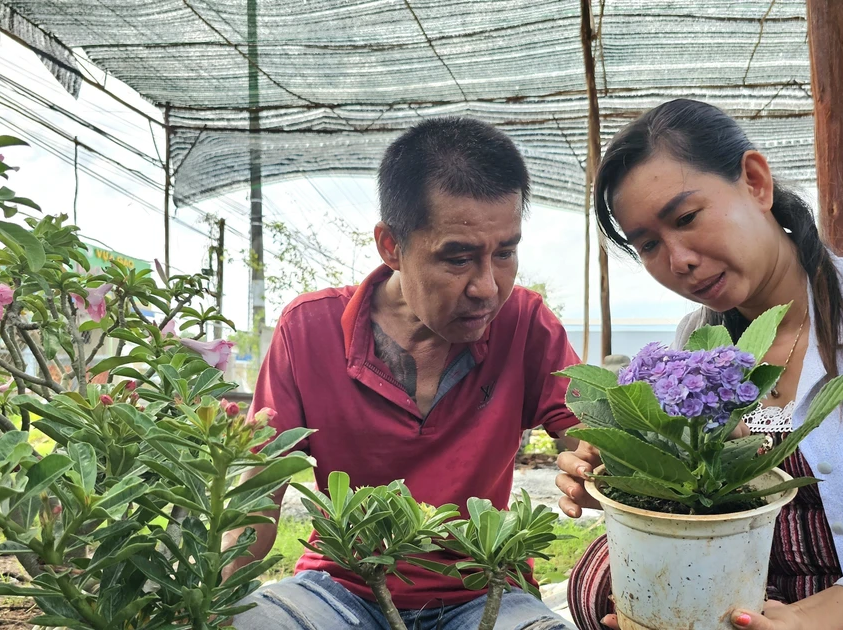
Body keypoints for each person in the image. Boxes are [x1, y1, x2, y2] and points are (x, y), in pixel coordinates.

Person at [555, 99, 843, 630]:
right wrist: (631, 467)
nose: (679, 260)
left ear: (756, 182)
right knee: (601, 584)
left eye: (686, 218)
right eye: (648, 245)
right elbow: (781, 426)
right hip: (760, 595)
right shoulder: (701, 339)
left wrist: (807, 621)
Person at [228, 117, 580, 630]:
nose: (487, 287)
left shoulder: (525, 323)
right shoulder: (309, 329)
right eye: (457, 257)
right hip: (341, 585)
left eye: (505, 252)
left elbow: (593, 436)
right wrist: (215, 605)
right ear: (390, 245)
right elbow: (260, 490)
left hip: (479, 589)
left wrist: (598, 459)